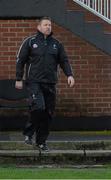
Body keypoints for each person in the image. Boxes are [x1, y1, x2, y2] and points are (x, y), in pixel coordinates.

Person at [15, 16, 75, 151]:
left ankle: (41, 142)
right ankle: (29, 133)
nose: (48, 27)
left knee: (48, 113)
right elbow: (20, 61)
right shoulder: (30, 42)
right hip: (34, 82)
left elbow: (64, 61)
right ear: (39, 27)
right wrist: (19, 78)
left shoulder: (57, 44)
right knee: (38, 107)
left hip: (50, 83)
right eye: (45, 25)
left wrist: (69, 75)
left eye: (50, 25)